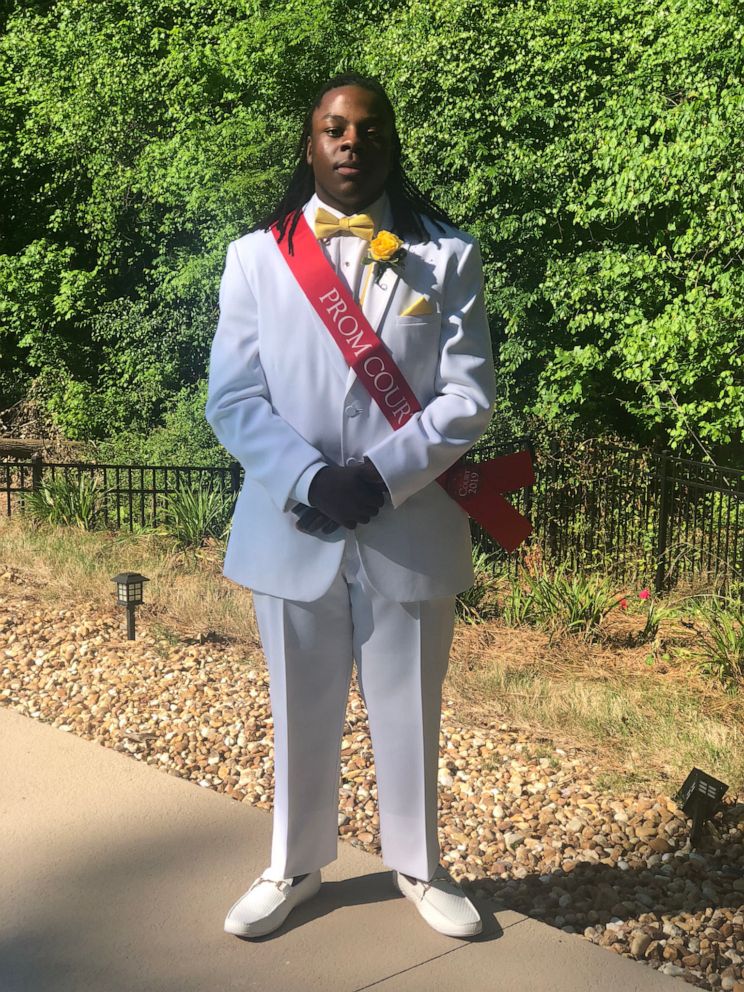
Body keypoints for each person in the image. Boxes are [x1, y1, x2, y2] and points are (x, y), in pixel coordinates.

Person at [205, 71, 496, 940]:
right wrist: (307, 476)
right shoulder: (257, 256)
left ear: (390, 144)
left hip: (406, 519)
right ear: (310, 144)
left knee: (410, 704)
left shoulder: (448, 256)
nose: (350, 143)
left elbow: (468, 395)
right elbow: (232, 397)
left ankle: (418, 864)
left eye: (369, 130)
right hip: (293, 521)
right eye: (334, 128)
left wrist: (379, 475)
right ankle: (293, 866)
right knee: (298, 704)